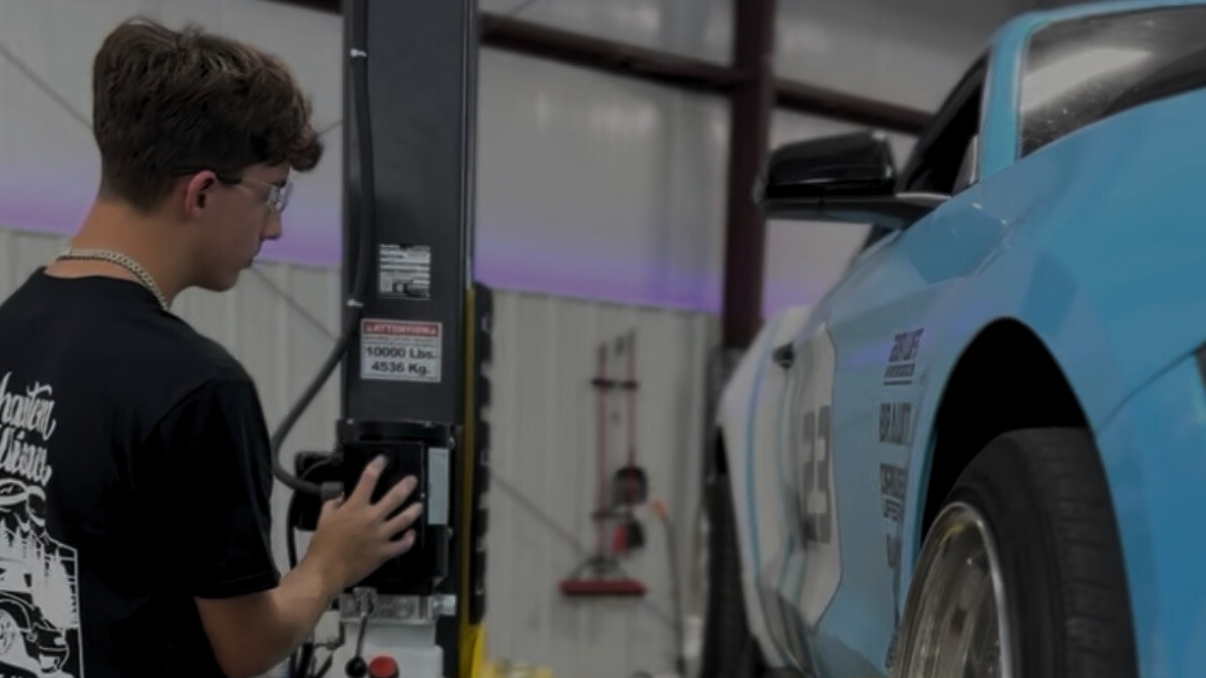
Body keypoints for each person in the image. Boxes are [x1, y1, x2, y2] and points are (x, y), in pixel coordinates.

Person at [0, 17, 422, 678]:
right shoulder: (197, 388)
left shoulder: (14, 323)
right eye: (271, 193)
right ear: (201, 192)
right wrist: (329, 564)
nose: (275, 226)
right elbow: (245, 647)